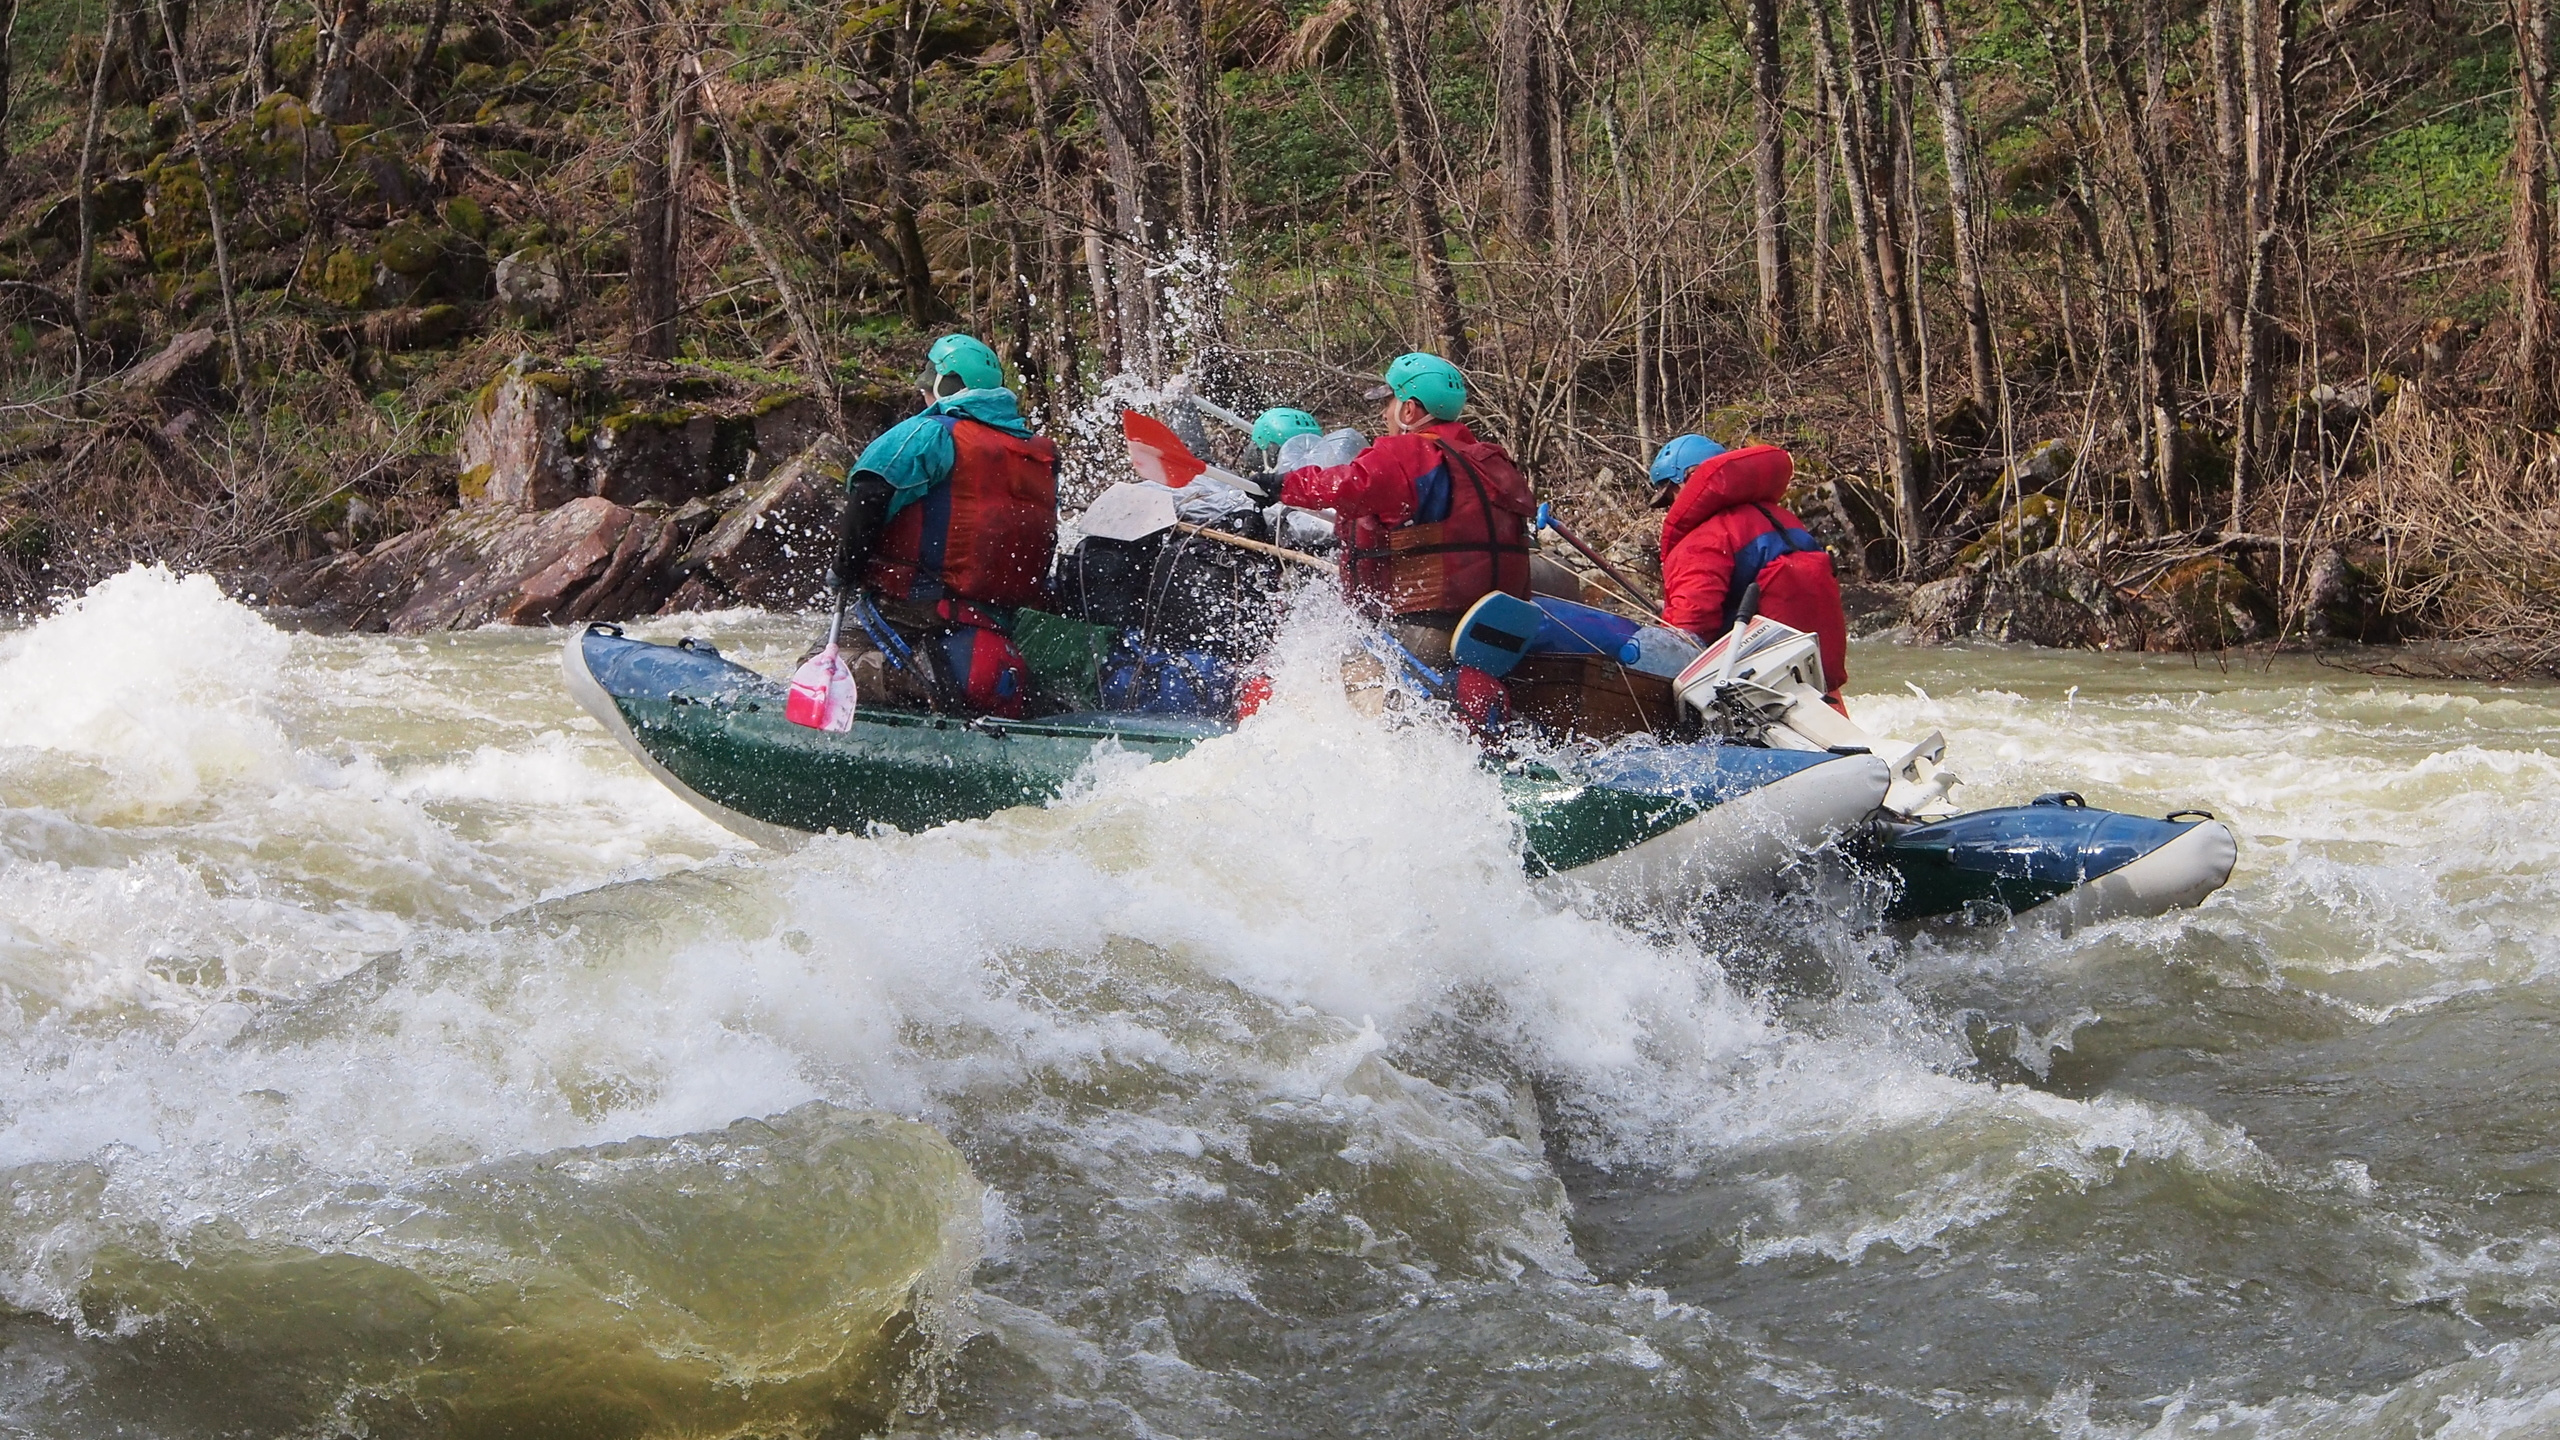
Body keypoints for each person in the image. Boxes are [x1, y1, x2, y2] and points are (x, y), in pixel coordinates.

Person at [831, 333, 1058, 718]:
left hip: (917, 609)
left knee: (816, 662)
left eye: (927, 385)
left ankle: (918, 682)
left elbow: (870, 491)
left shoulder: (931, 433)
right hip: (999, 618)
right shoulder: (1039, 453)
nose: (923, 396)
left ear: (946, 384)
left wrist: (844, 569)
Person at [1273, 353, 1536, 667]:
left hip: (1428, 629)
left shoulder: (1410, 453)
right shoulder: (1491, 460)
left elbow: (1348, 484)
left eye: (1388, 404)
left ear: (1408, 410)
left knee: (1326, 663)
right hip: (1495, 635)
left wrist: (1282, 486)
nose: (1385, 415)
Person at [1654, 435, 1851, 711]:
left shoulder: (1702, 538)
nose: (1670, 508)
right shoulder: (1782, 517)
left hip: (1755, 694)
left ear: (1689, 479)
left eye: (1670, 495)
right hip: (1819, 685)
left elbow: (1688, 632)